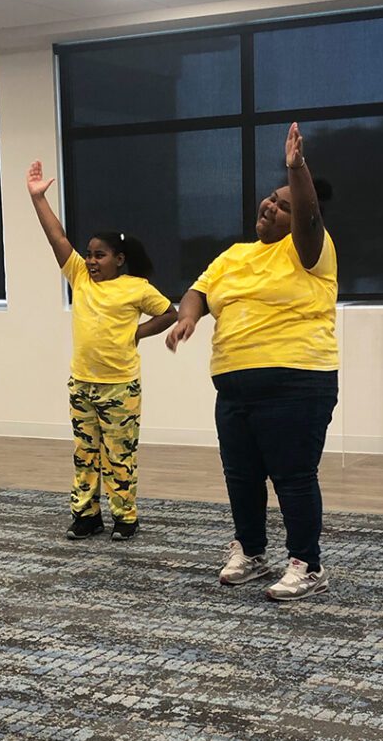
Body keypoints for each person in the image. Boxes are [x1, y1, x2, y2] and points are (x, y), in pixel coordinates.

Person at [166, 123, 338, 601]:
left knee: (292, 476)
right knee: (240, 475)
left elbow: (307, 214)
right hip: (235, 387)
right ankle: (253, 551)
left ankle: (307, 563)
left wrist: (295, 168)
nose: (271, 206)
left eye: (284, 204)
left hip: (298, 382)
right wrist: (188, 319)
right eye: (270, 198)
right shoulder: (234, 255)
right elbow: (198, 291)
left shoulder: (310, 250)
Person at [26, 160, 177, 540]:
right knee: (85, 455)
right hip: (82, 385)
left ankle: (125, 517)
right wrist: (38, 199)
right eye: (89, 254)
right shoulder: (79, 277)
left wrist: (137, 333)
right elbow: (57, 238)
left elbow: (169, 313)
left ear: (119, 259)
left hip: (120, 387)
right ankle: (86, 515)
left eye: (100, 255)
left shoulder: (136, 287)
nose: (91, 261)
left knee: (119, 457)